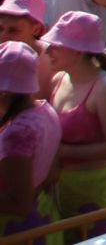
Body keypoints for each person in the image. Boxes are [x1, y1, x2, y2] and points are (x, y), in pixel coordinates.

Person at [43, 10, 106, 233]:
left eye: (56, 45)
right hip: (63, 188)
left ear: (77, 51)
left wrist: (61, 151)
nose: (48, 50)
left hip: (95, 190)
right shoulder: (58, 80)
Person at [0, 41, 61, 238]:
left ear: (5, 91)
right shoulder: (46, 110)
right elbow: (53, 172)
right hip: (44, 218)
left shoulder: (17, 135)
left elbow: (19, 204)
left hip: (18, 232)